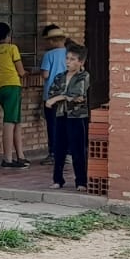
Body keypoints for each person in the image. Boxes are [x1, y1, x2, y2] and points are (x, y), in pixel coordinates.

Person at [45, 42, 91, 191]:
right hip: (61, 115)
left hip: (77, 117)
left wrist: (59, 98)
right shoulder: (60, 76)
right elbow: (52, 93)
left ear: (80, 62)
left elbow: (77, 94)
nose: (68, 62)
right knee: (59, 148)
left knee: (78, 150)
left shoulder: (83, 76)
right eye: (67, 59)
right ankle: (58, 179)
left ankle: (81, 181)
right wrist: (60, 97)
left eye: (72, 59)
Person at [0, 22, 28, 168]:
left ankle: (21, 156)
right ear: (9, 35)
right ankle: (8, 159)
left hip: (0, 88)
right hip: (12, 86)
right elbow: (21, 72)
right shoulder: (12, 48)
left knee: (16, 121)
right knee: (10, 123)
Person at [38, 25, 69, 163]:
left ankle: (54, 154)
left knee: (53, 125)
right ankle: (68, 154)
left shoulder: (49, 55)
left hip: (51, 95)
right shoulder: (71, 53)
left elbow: (45, 74)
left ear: (52, 41)